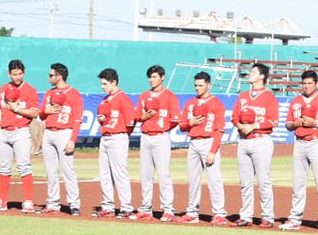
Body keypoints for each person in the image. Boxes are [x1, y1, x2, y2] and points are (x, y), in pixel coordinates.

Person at [280, 69, 318, 232]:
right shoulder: (296, 101)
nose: (306, 86)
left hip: (317, 142)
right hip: (299, 142)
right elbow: (288, 124)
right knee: (298, 182)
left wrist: (315, 123)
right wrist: (296, 123)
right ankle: (295, 218)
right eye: (304, 83)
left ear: (316, 84)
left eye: (310, 83)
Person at [231, 62, 279, 227]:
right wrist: (240, 126)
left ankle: (268, 217)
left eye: (253, 72)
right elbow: (234, 116)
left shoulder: (269, 96)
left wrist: (254, 126)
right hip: (244, 140)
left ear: (262, 76)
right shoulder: (243, 95)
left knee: (263, 180)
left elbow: (273, 121)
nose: (250, 74)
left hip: (261, 140)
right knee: (245, 181)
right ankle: (246, 216)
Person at [0, 59, 40, 213]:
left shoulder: (30, 90)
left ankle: (29, 201)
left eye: (19, 74)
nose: (17, 77)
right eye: (14, 74)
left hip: (21, 131)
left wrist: (17, 109)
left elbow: (34, 112)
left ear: (23, 73)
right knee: (3, 168)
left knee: (24, 166)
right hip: (4, 131)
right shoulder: (3, 88)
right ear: (9, 73)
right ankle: (2, 201)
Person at [178, 71, 228, 225]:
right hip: (193, 142)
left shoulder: (217, 103)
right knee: (193, 179)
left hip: (209, 141)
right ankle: (192, 212)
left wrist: (213, 151)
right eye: (196, 85)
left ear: (209, 85)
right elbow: (181, 126)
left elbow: (219, 129)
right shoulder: (190, 103)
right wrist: (190, 123)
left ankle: (219, 213)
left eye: (200, 85)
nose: (197, 88)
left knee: (214, 180)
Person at [131, 64, 180, 222]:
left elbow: (175, 119)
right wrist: (143, 117)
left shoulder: (169, 96)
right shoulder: (144, 95)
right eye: (150, 77)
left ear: (162, 77)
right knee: (145, 174)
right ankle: (146, 208)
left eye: (155, 77)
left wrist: (163, 128)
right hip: (145, 136)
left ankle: (168, 209)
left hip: (161, 137)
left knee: (164, 174)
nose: (152, 80)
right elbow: (137, 115)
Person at [39, 63, 84, 216]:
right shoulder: (49, 93)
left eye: (51, 75)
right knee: (50, 171)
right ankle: (53, 202)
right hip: (49, 133)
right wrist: (46, 110)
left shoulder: (74, 93)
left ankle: (74, 203)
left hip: (65, 133)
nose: (49, 77)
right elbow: (41, 115)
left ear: (59, 76)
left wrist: (73, 139)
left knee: (68, 170)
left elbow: (78, 119)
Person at [93, 67, 137, 218]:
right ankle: (108, 206)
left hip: (118, 137)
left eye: (105, 83)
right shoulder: (105, 100)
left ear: (114, 82)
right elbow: (104, 117)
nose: (102, 86)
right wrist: (101, 120)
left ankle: (126, 206)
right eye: (102, 83)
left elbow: (131, 122)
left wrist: (122, 135)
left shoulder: (123, 98)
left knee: (120, 173)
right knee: (104, 174)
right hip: (105, 136)